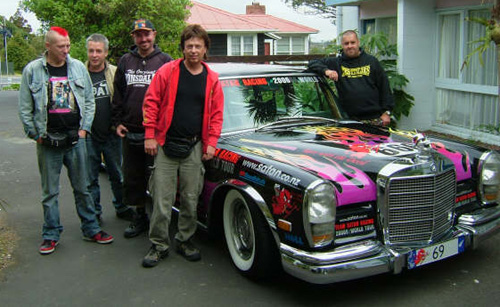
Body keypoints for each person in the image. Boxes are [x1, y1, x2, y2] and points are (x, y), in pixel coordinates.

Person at [18, 27, 114, 255]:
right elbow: (24, 107)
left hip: (75, 140)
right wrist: (36, 134)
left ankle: (91, 228)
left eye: (68, 45)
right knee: (50, 192)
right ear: (48, 46)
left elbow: (89, 101)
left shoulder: (78, 67)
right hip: (48, 141)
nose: (66, 50)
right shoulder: (32, 71)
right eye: (61, 46)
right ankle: (50, 234)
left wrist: (83, 130)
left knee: (83, 187)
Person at [141, 24, 224, 267]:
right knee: (162, 199)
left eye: (198, 46)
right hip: (166, 146)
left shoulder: (212, 79)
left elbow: (217, 114)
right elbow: (151, 102)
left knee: (190, 198)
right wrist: (149, 135)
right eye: (189, 46)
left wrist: (211, 144)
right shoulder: (168, 71)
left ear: (205, 48)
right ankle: (158, 244)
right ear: (183, 48)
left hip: (194, 148)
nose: (194, 50)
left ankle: (185, 239)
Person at [112, 19, 173, 238]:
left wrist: (163, 130)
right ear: (133, 37)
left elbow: (171, 98)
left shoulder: (166, 62)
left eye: (147, 34)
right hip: (130, 131)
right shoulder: (125, 61)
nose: (143, 39)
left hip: (156, 135)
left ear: (154, 35)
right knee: (132, 177)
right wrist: (117, 121)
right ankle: (139, 217)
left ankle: (159, 219)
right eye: (139, 35)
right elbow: (118, 93)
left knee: (157, 179)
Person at [85, 33, 135, 224]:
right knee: (91, 179)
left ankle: (121, 207)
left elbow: (123, 99)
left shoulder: (115, 72)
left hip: (112, 133)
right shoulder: (80, 73)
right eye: (91, 50)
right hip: (88, 134)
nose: (95, 55)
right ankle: (95, 213)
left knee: (117, 175)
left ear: (106, 52)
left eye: (99, 51)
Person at [308, 30, 394, 126]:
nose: (349, 46)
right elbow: (312, 63)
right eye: (346, 43)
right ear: (342, 45)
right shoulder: (337, 63)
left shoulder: (371, 61)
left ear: (358, 43)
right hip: (348, 120)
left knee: (378, 141)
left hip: (375, 119)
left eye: (352, 42)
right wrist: (326, 71)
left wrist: (386, 112)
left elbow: (384, 87)